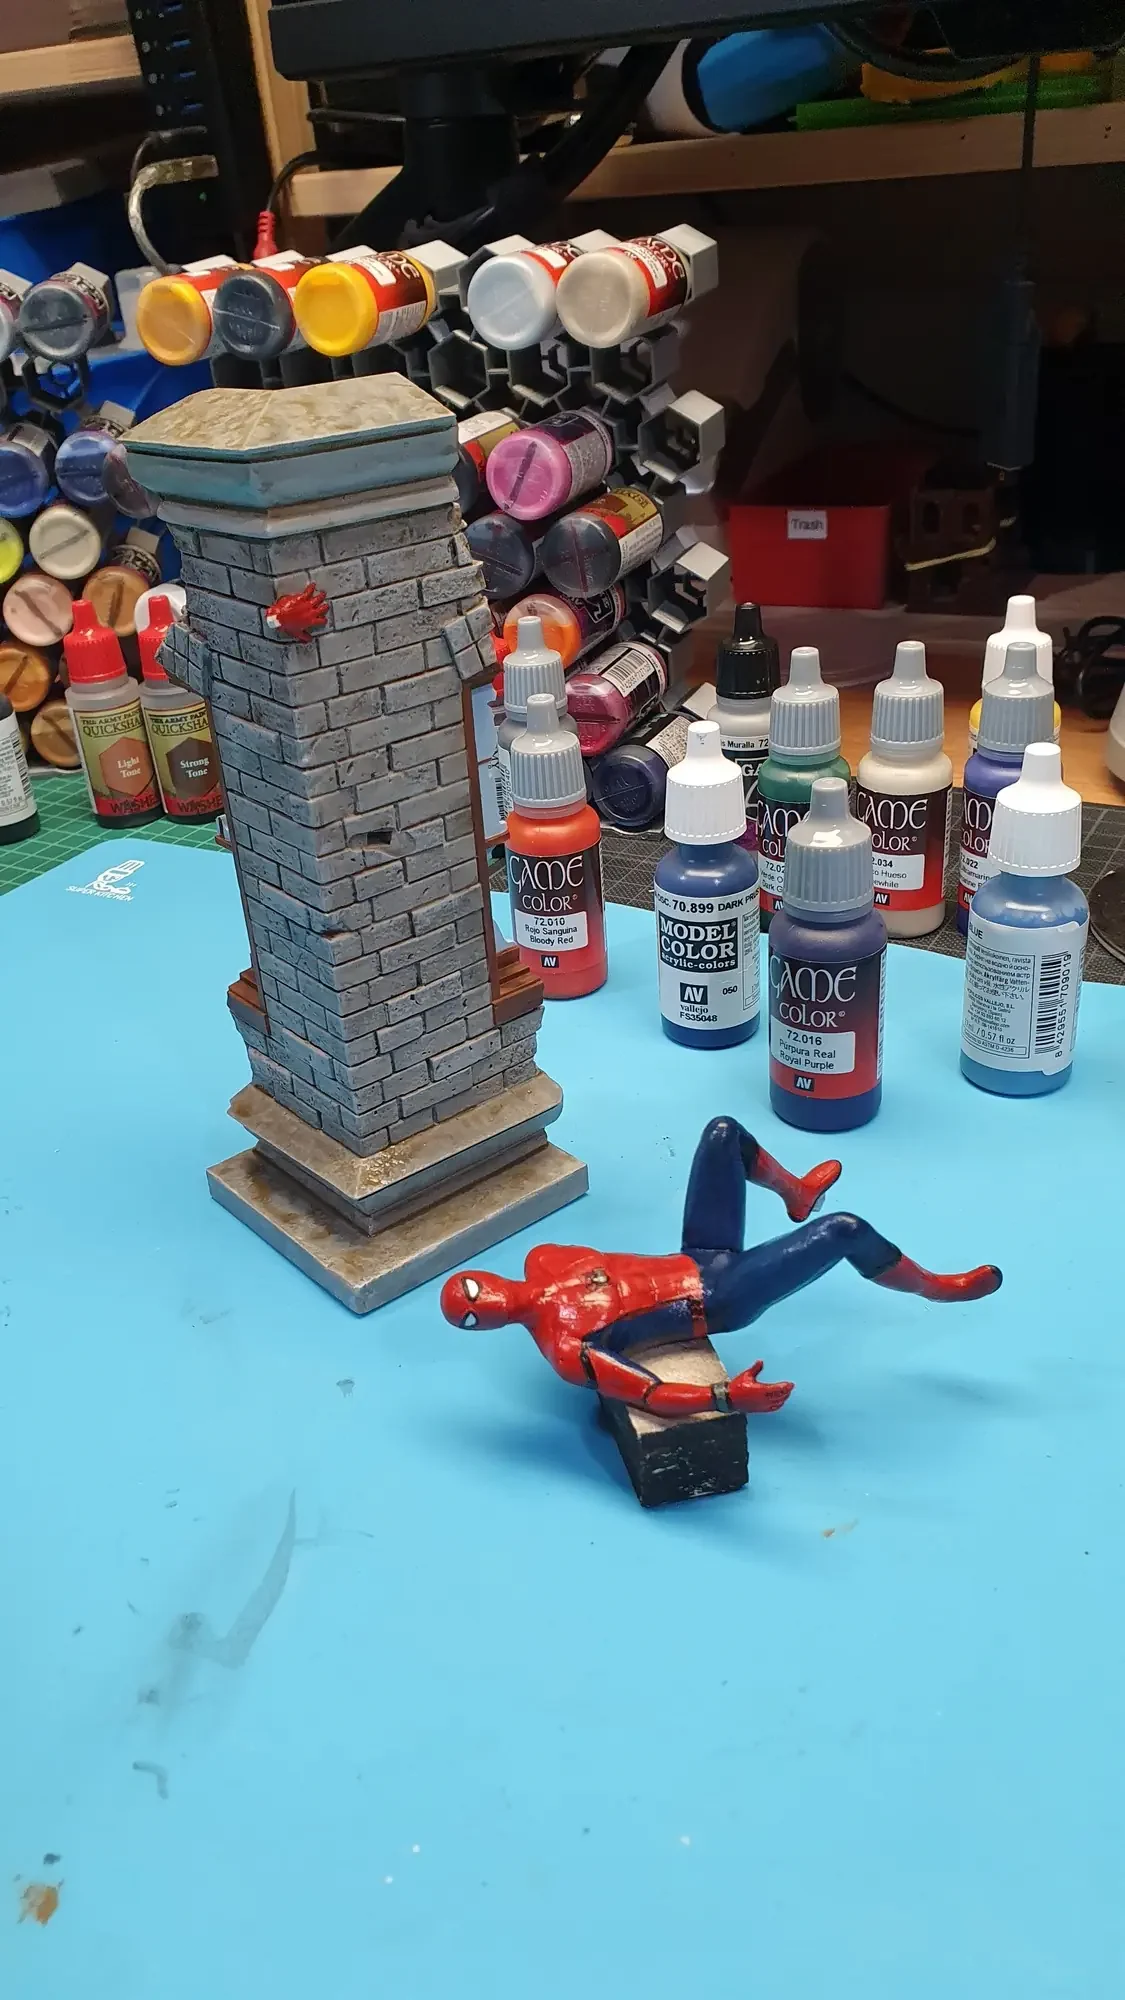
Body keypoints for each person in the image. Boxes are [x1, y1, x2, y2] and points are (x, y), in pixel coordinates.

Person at [440, 1116, 1001, 1417]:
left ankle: (796, 1192)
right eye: (470, 1316)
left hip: (697, 1255)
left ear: (481, 1275)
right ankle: (934, 1288)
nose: (482, 1302)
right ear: (481, 1328)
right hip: (719, 1297)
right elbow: (650, 1394)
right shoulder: (568, 1351)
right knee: (844, 1230)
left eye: (470, 1289)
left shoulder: (543, 1257)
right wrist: (725, 1396)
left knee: (723, 1133)